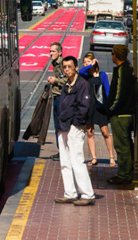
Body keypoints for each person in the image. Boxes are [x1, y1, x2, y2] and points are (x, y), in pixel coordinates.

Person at [53, 56, 96, 206]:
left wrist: (76, 124)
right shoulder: (66, 85)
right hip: (63, 126)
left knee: (77, 160)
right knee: (65, 161)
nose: (66, 70)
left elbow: (84, 107)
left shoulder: (82, 84)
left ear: (76, 67)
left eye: (69, 67)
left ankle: (87, 194)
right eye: (64, 67)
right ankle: (69, 192)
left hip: (74, 127)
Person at [78, 52, 116, 167]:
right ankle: (94, 157)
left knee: (105, 132)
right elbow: (80, 72)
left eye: (88, 62)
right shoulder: (85, 75)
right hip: (89, 107)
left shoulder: (102, 75)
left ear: (94, 61)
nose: (86, 64)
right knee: (90, 133)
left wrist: (109, 106)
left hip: (100, 107)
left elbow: (108, 91)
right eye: (84, 63)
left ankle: (111, 156)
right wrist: (90, 65)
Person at [107, 44, 137, 185]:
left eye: (112, 53)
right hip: (127, 113)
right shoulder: (127, 69)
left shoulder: (121, 71)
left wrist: (110, 109)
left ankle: (123, 174)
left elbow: (118, 95)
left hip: (121, 115)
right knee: (126, 144)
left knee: (121, 146)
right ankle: (127, 169)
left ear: (116, 55)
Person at [47, 42, 67, 161]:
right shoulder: (55, 63)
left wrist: (55, 80)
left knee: (59, 125)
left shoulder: (62, 64)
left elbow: (67, 79)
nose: (51, 54)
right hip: (56, 96)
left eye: (53, 51)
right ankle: (61, 151)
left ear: (59, 52)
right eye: (50, 51)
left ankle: (63, 152)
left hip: (61, 97)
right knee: (57, 126)